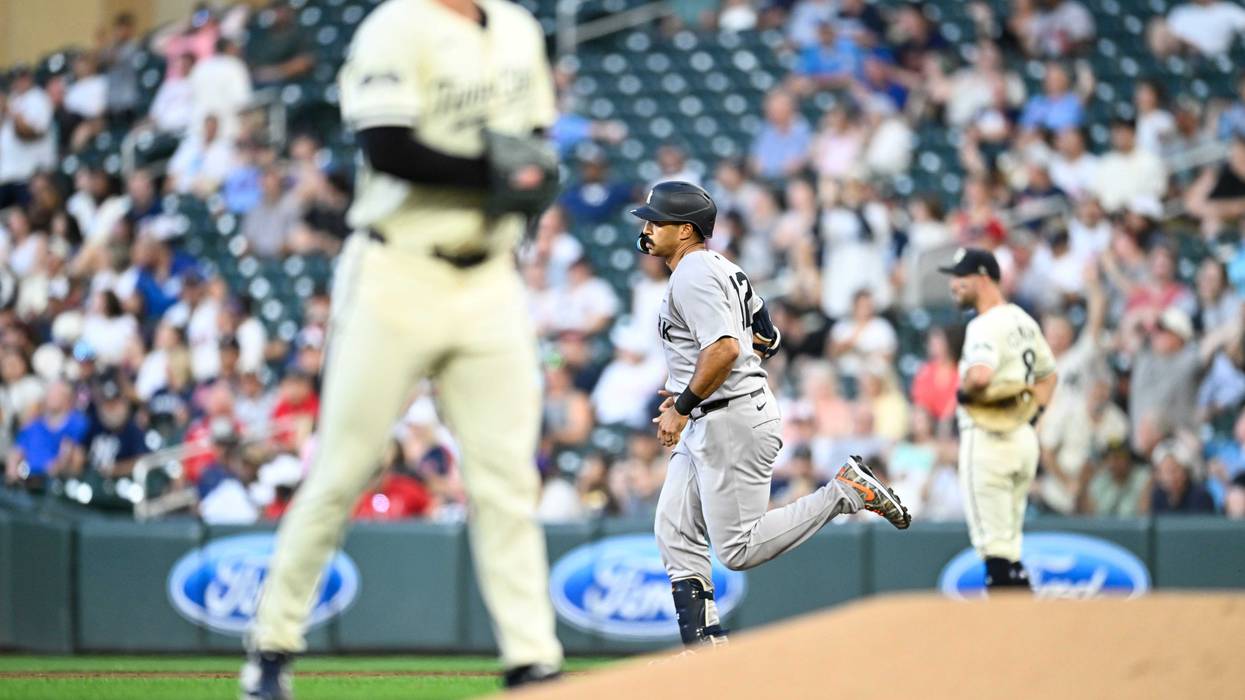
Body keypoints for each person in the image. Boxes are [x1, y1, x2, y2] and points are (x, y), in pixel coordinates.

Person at [242, 1, 565, 696]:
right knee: (341, 470)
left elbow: (534, 135)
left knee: (508, 482)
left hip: (489, 279)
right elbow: (388, 148)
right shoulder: (394, 25)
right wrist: (501, 172)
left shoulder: (515, 27)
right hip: (396, 273)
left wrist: (528, 172)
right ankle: (270, 649)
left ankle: (533, 662)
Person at [632, 180, 909, 648]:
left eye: (657, 220)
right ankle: (706, 648)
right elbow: (769, 337)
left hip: (730, 418)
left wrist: (683, 404)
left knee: (738, 549)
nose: (648, 226)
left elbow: (724, 349)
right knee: (674, 530)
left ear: (684, 230)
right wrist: (687, 390)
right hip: (715, 413)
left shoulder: (694, 272)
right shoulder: (721, 267)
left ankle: (846, 491)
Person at [940, 247, 1058, 592]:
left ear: (983, 277)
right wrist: (1034, 415)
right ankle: (1023, 627)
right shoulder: (1022, 319)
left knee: (994, 552)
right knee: (1010, 546)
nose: (954, 286)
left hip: (988, 441)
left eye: (961, 278)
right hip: (1022, 440)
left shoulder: (983, 324)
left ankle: (1006, 636)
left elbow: (980, 375)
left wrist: (964, 391)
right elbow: (1048, 377)